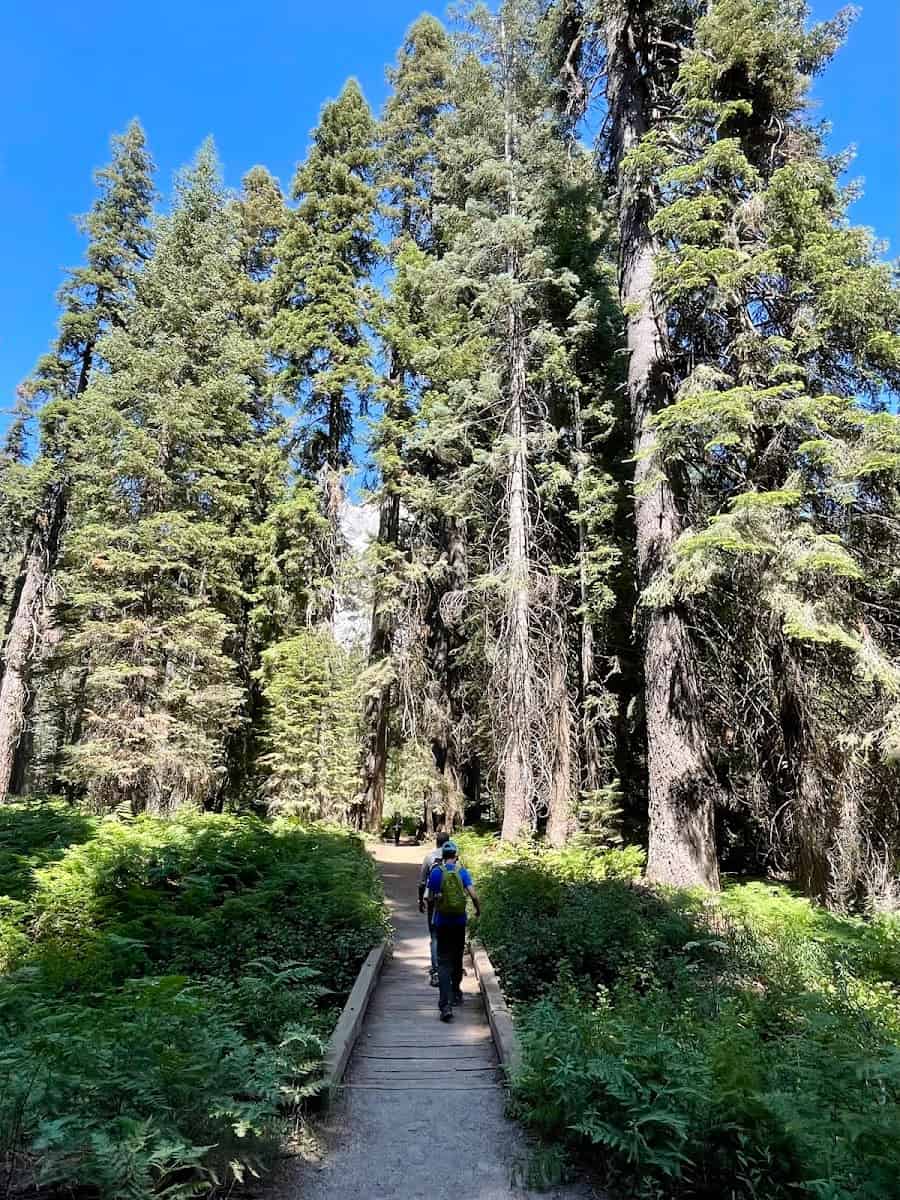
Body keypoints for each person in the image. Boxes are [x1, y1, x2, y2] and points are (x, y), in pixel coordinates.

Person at [425, 839, 481, 1022]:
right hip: (459, 921)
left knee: (443, 962)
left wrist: (437, 902)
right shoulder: (462, 872)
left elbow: (430, 898)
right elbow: (473, 895)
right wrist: (478, 910)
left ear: (442, 856)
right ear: (456, 856)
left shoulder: (436, 873)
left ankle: (445, 1005)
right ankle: (456, 992)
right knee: (457, 957)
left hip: (442, 922)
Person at [418, 832, 449, 986]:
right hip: (451, 903)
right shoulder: (455, 858)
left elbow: (422, 882)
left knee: (435, 936)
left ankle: (436, 971)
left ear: (436, 842)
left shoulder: (429, 858)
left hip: (433, 901)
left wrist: (420, 900)